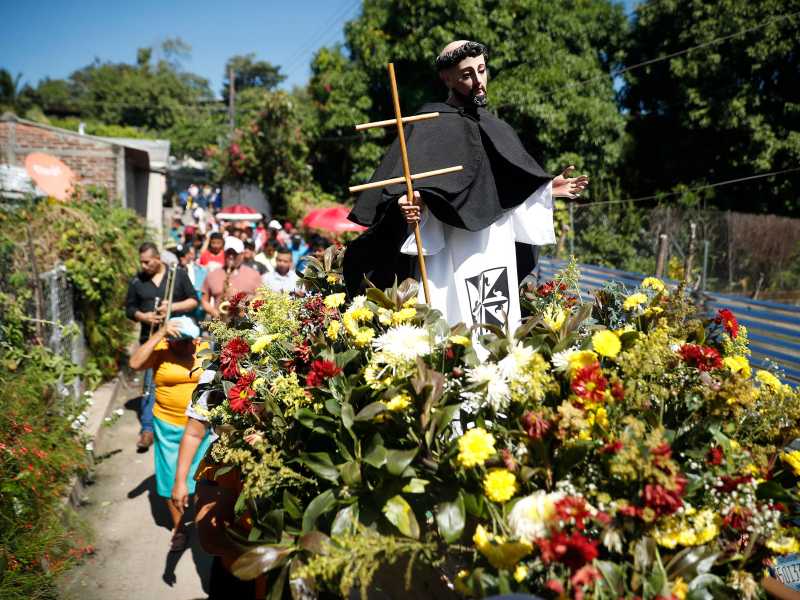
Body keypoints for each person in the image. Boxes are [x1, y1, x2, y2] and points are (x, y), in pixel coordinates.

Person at [344, 40, 588, 332]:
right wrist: (405, 204)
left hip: (495, 245)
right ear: (446, 78)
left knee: (494, 320)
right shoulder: (426, 124)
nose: (478, 81)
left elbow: (509, 186)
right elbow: (397, 188)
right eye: (466, 75)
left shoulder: (498, 128)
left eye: (482, 70)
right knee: (449, 317)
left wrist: (546, 189)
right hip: (449, 244)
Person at [129, 316, 211, 551]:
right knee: (169, 478)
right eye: (181, 340)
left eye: (190, 340)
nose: (187, 345)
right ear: (171, 339)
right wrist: (159, 334)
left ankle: (202, 522)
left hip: (199, 426)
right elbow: (135, 364)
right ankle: (179, 528)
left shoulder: (203, 348)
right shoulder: (161, 350)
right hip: (167, 425)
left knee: (201, 476)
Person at [125, 242, 198, 451]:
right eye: (142, 262)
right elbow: (129, 308)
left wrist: (172, 306)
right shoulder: (137, 281)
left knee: (179, 380)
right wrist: (143, 316)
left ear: (158, 258)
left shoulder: (178, 275)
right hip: (152, 337)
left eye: (147, 262)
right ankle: (147, 429)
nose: (144, 265)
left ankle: (181, 422)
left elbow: (194, 301)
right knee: (149, 384)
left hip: (178, 338)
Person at [201, 236, 263, 319]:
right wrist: (214, 312)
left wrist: (247, 306)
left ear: (242, 254)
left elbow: (261, 298)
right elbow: (204, 300)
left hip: (246, 325)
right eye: (228, 253)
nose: (231, 256)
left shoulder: (254, 274)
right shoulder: (212, 274)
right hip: (220, 323)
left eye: (234, 253)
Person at [176, 244, 207, 323]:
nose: (181, 258)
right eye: (179, 255)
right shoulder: (173, 271)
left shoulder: (200, 271)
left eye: (183, 255)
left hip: (196, 313)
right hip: (178, 313)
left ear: (189, 255)